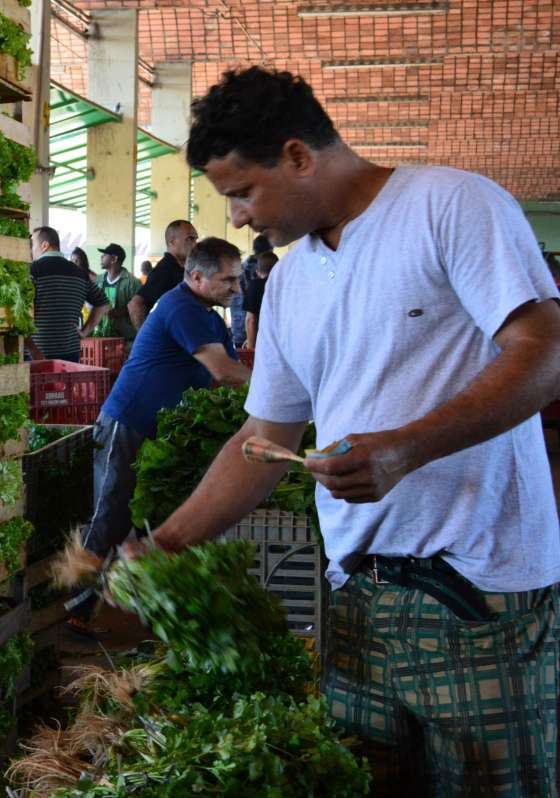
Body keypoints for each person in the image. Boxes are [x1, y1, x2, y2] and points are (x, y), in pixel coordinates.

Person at [143, 66, 560, 796]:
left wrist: (405, 449)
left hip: (475, 594)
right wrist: (164, 544)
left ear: (298, 155)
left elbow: (545, 350)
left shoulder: (451, 205)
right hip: (356, 599)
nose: (236, 219)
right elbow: (264, 434)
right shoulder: (294, 282)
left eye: (243, 191)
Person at [68, 237, 251, 634]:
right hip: (130, 422)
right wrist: (288, 393)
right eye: (229, 280)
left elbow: (234, 375)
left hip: (164, 434)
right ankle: (77, 606)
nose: (237, 289)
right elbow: (224, 372)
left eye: (238, 280)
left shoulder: (209, 315)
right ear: (197, 277)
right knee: (111, 515)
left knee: (155, 518)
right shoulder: (180, 306)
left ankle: (144, 608)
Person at [27, 227, 109, 362]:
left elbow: (21, 316)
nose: (31, 249)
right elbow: (103, 303)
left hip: (38, 353)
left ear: (44, 245)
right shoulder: (80, 273)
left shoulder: (33, 271)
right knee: (67, 384)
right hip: (70, 352)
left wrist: (32, 350)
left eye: (33, 244)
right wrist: (84, 332)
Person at [129, 220, 197, 327]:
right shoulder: (165, 269)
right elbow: (135, 304)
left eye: (195, 239)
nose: (194, 244)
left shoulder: (181, 268)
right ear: (172, 241)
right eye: (190, 239)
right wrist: (145, 338)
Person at [91, 243, 142, 344]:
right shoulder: (99, 280)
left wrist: (119, 312)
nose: (101, 257)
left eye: (105, 255)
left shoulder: (132, 282)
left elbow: (139, 308)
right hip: (101, 338)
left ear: (114, 259)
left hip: (125, 339)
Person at [243, 250, 277, 351]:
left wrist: (250, 345)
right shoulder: (287, 285)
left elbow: (251, 320)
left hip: (264, 344)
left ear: (257, 270)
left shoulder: (255, 286)